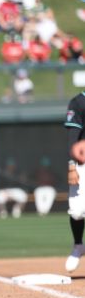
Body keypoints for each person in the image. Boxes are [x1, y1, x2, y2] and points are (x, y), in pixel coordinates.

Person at [65, 90, 85, 272]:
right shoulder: (79, 102)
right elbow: (73, 136)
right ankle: (79, 245)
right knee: (77, 212)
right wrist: (72, 166)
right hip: (82, 164)